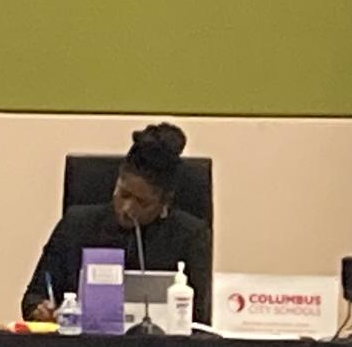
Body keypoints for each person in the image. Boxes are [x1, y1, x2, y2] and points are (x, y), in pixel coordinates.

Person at [22, 122, 212, 324]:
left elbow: (199, 318)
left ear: (164, 202)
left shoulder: (190, 236)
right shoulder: (76, 224)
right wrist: (41, 309)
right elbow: (33, 297)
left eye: (142, 202)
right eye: (123, 194)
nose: (127, 208)